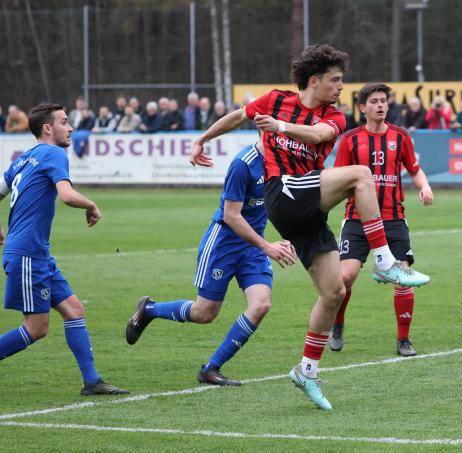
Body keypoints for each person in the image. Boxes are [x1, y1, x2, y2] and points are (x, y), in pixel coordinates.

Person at [188, 44, 430, 411]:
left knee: (333, 291)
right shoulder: (275, 100)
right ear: (314, 80)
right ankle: (384, 261)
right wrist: (203, 139)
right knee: (361, 175)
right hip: (282, 192)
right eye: (336, 80)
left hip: (307, 202)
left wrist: (280, 126)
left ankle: (307, 371)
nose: (341, 87)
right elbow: (238, 117)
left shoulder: (334, 117)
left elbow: (317, 136)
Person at [125, 142, 298, 385]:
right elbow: (231, 215)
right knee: (204, 313)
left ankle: (211, 368)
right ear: (264, 128)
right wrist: (268, 247)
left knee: (261, 304)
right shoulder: (243, 164)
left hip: (253, 247)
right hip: (223, 244)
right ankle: (149, 310)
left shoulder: (284, 161)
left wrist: (293, 238)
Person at [0, 103, 128, 396]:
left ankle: (92, 381)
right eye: (64, 122)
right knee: (36, 328)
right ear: (48, 128)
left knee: (74, 310)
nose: (70, 128)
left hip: (36, 253)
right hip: (27, 254)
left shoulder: (24, 159)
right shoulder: (54, 153)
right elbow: (67, 195)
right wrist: (92, 204)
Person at [329, 83, 434, 357]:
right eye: (374, 101)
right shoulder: (351, 140)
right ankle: (337, 324)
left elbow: (414, 168)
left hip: (394, 218)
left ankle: (403, 339)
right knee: (346, 276)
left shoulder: (400, 137)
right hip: (357, 219)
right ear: (362, 107)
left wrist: (424, 186)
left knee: (403, 276)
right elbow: (337, 179)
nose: (380, 105)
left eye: (383, 101)